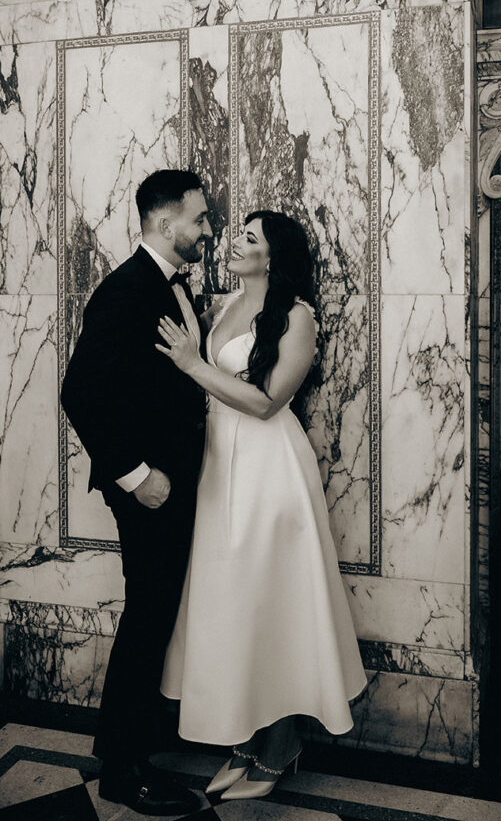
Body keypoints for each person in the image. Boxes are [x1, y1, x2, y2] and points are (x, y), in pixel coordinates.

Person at [157, 210, 367, 801]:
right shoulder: (223, 307)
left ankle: (281, 746)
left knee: (272, 603)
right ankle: (247, 742)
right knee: (237, 606)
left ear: (273, 256)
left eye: (251, 237)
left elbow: (268, 402)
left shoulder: (298, 316)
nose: (235, 242)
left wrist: (194, 364)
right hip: (220, 470)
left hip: (269, 471)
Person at [60, 169, 212, 815]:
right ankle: (123, 770)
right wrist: (135, 476)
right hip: (149, 488)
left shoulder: (171, 287)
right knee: (146, 619)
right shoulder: (124, 290)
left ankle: (132, 747)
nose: (208, 230)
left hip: (176, 485)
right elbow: (79, 392)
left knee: (155, 618)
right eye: (200, 219)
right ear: (163, 221)